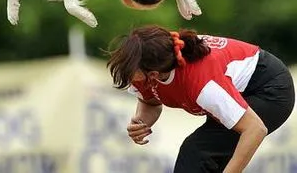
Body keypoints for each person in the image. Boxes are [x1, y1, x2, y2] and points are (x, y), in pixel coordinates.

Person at [106, 25, 295, 173]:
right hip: (238, 87)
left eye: (132, 73)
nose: (129, 77)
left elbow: (255, 129)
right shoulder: (147, 72)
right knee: (207, 159)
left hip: (268, 90)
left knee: (196, 152)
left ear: (154, 74)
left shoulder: (202, 84)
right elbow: (151, 101)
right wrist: (142, 122)